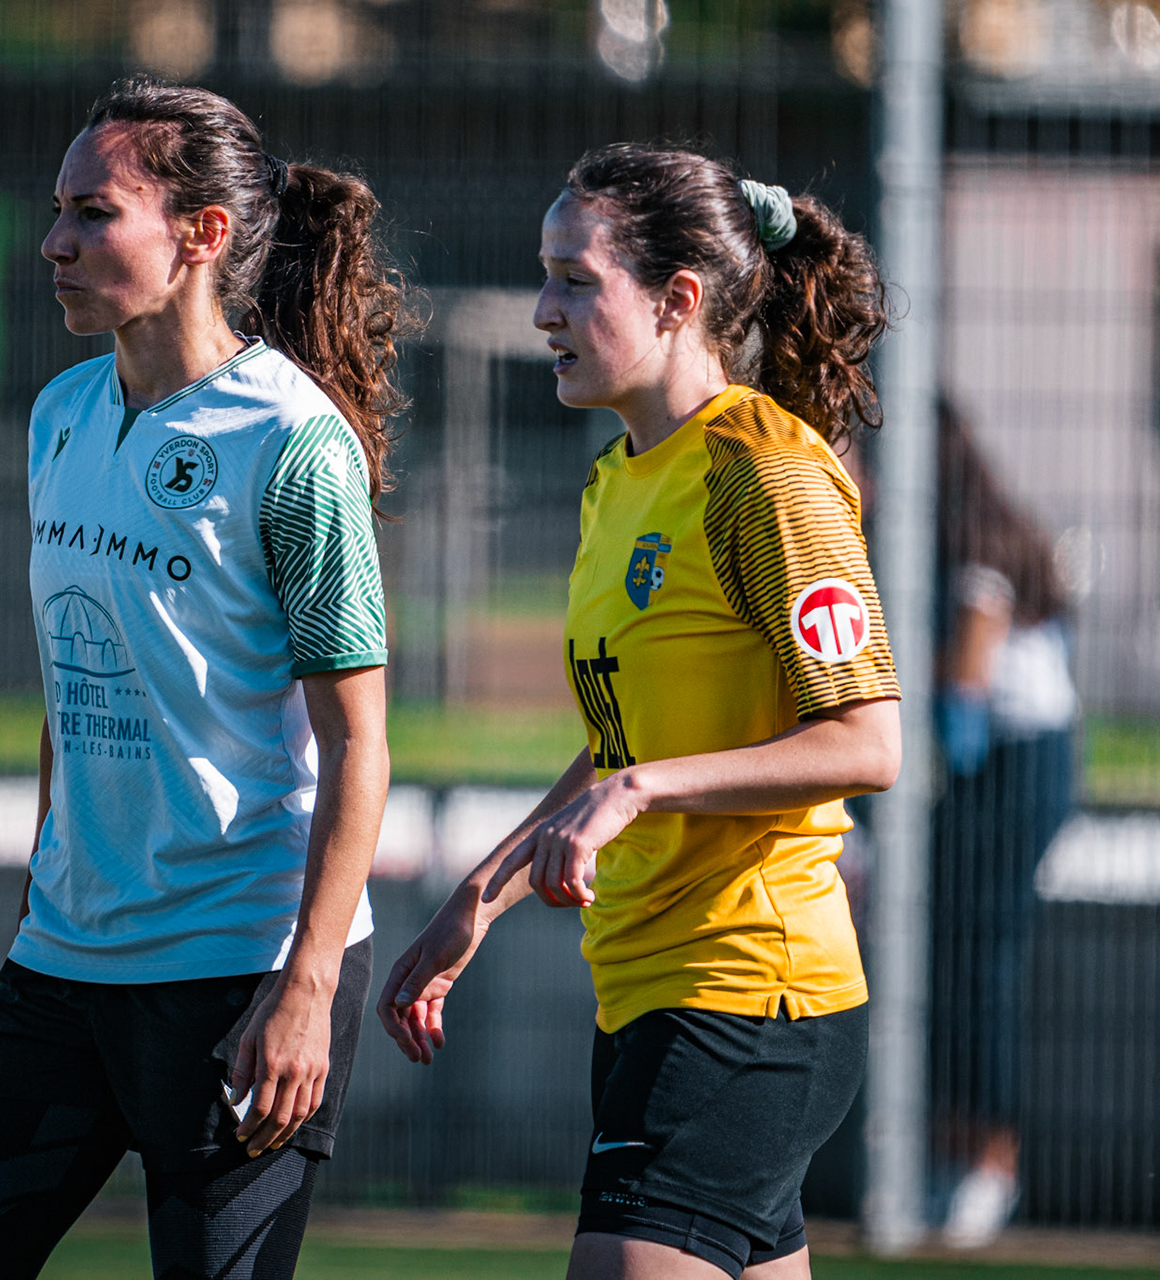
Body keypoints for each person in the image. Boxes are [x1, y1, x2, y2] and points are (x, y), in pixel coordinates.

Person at [0, 77, 410, 1280]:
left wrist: (306, 987)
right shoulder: (60, 413)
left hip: (239, 962)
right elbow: (71, 682)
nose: (53, 240)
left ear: (200, 236)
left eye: (92, 212)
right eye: (58, 209)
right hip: (64, 957)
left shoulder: (293, 443)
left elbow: (360, 744)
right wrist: (41, 880)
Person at [377, 144, 901, 1280]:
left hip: (749, 989)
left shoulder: (767, 475)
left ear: (679, 301)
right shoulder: (622, 478)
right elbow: (627, 744)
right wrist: (480, 895)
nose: (540, 311)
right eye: (544, 275)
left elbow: (868, 740)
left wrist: (642, 788)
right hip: (651, 989)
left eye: (575, 280)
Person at [931, 402, 1078, 1248]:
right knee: (956, 961)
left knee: (985, 963)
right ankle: (956, 1156)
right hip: (998, 768)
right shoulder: (973, 525)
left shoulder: (975, 533)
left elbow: (971, 671)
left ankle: (991, 1167)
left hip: (1018, 766)